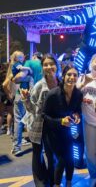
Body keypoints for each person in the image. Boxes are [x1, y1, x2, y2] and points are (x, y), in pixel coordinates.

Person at [20, 54, 60, 187]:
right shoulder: (39, 85)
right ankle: (40, 181)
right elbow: (31, 109)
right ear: (42, 68)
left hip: (54, 125)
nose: (49, 67)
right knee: (37, 153)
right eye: (45, 65)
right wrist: (25, 98)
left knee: (51, 154)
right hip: (37, 124)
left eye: (51, 64)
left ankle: (52, 179)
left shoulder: (61, 83)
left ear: (56, 66)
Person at [43, 64, 83, 187]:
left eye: (75, 75)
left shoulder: (78, 94)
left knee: (70, 157)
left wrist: (77, 115)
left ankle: (69, 182)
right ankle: (57, 184)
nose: (72, 77)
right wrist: (60, 121)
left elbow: (77, 109)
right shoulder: (53, 94)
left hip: (68, 132)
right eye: (69, 74)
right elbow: (44, 116)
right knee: (62, 159)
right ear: (63, 76)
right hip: (53, 133)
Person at [77, 53, 96, 187]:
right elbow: (74, 94)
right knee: (90, 151)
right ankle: (94, 175)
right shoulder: (83, 77)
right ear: (91, 63)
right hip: (88, 120)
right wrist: (81, 87)